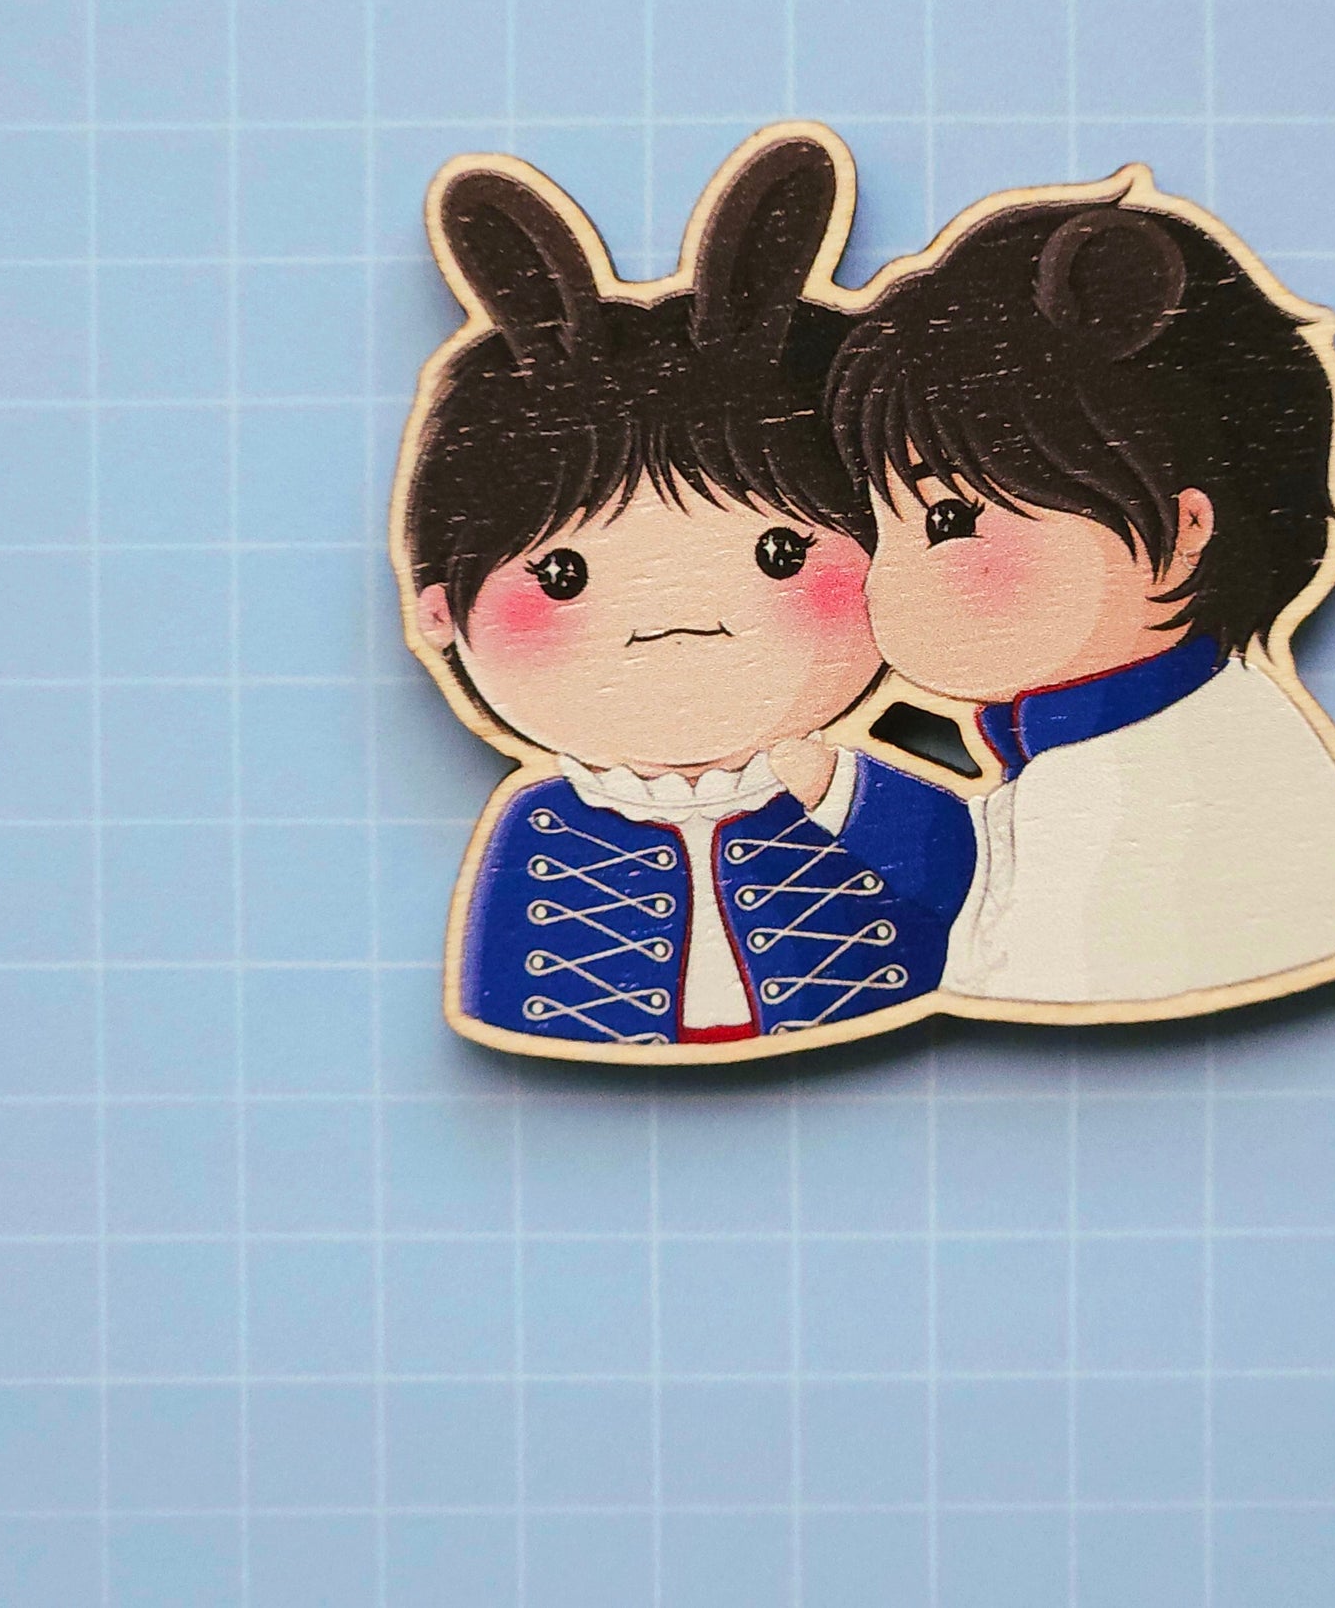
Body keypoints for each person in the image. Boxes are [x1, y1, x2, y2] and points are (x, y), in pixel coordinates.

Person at [395, 127, 974, 1059]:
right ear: (438, 611)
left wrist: (850, 798)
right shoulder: (534, 828)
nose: (676, 620)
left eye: (780, 553)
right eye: (564, 575)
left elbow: (974, 887)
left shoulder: (860, 792)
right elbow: (507, 991)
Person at [826, 166, 1335, 1018]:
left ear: (1186, 530)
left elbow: (1023, 968)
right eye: (884, 532)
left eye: (949, 521)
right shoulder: (1118, 742)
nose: (888, 585)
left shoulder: (1173, 777)